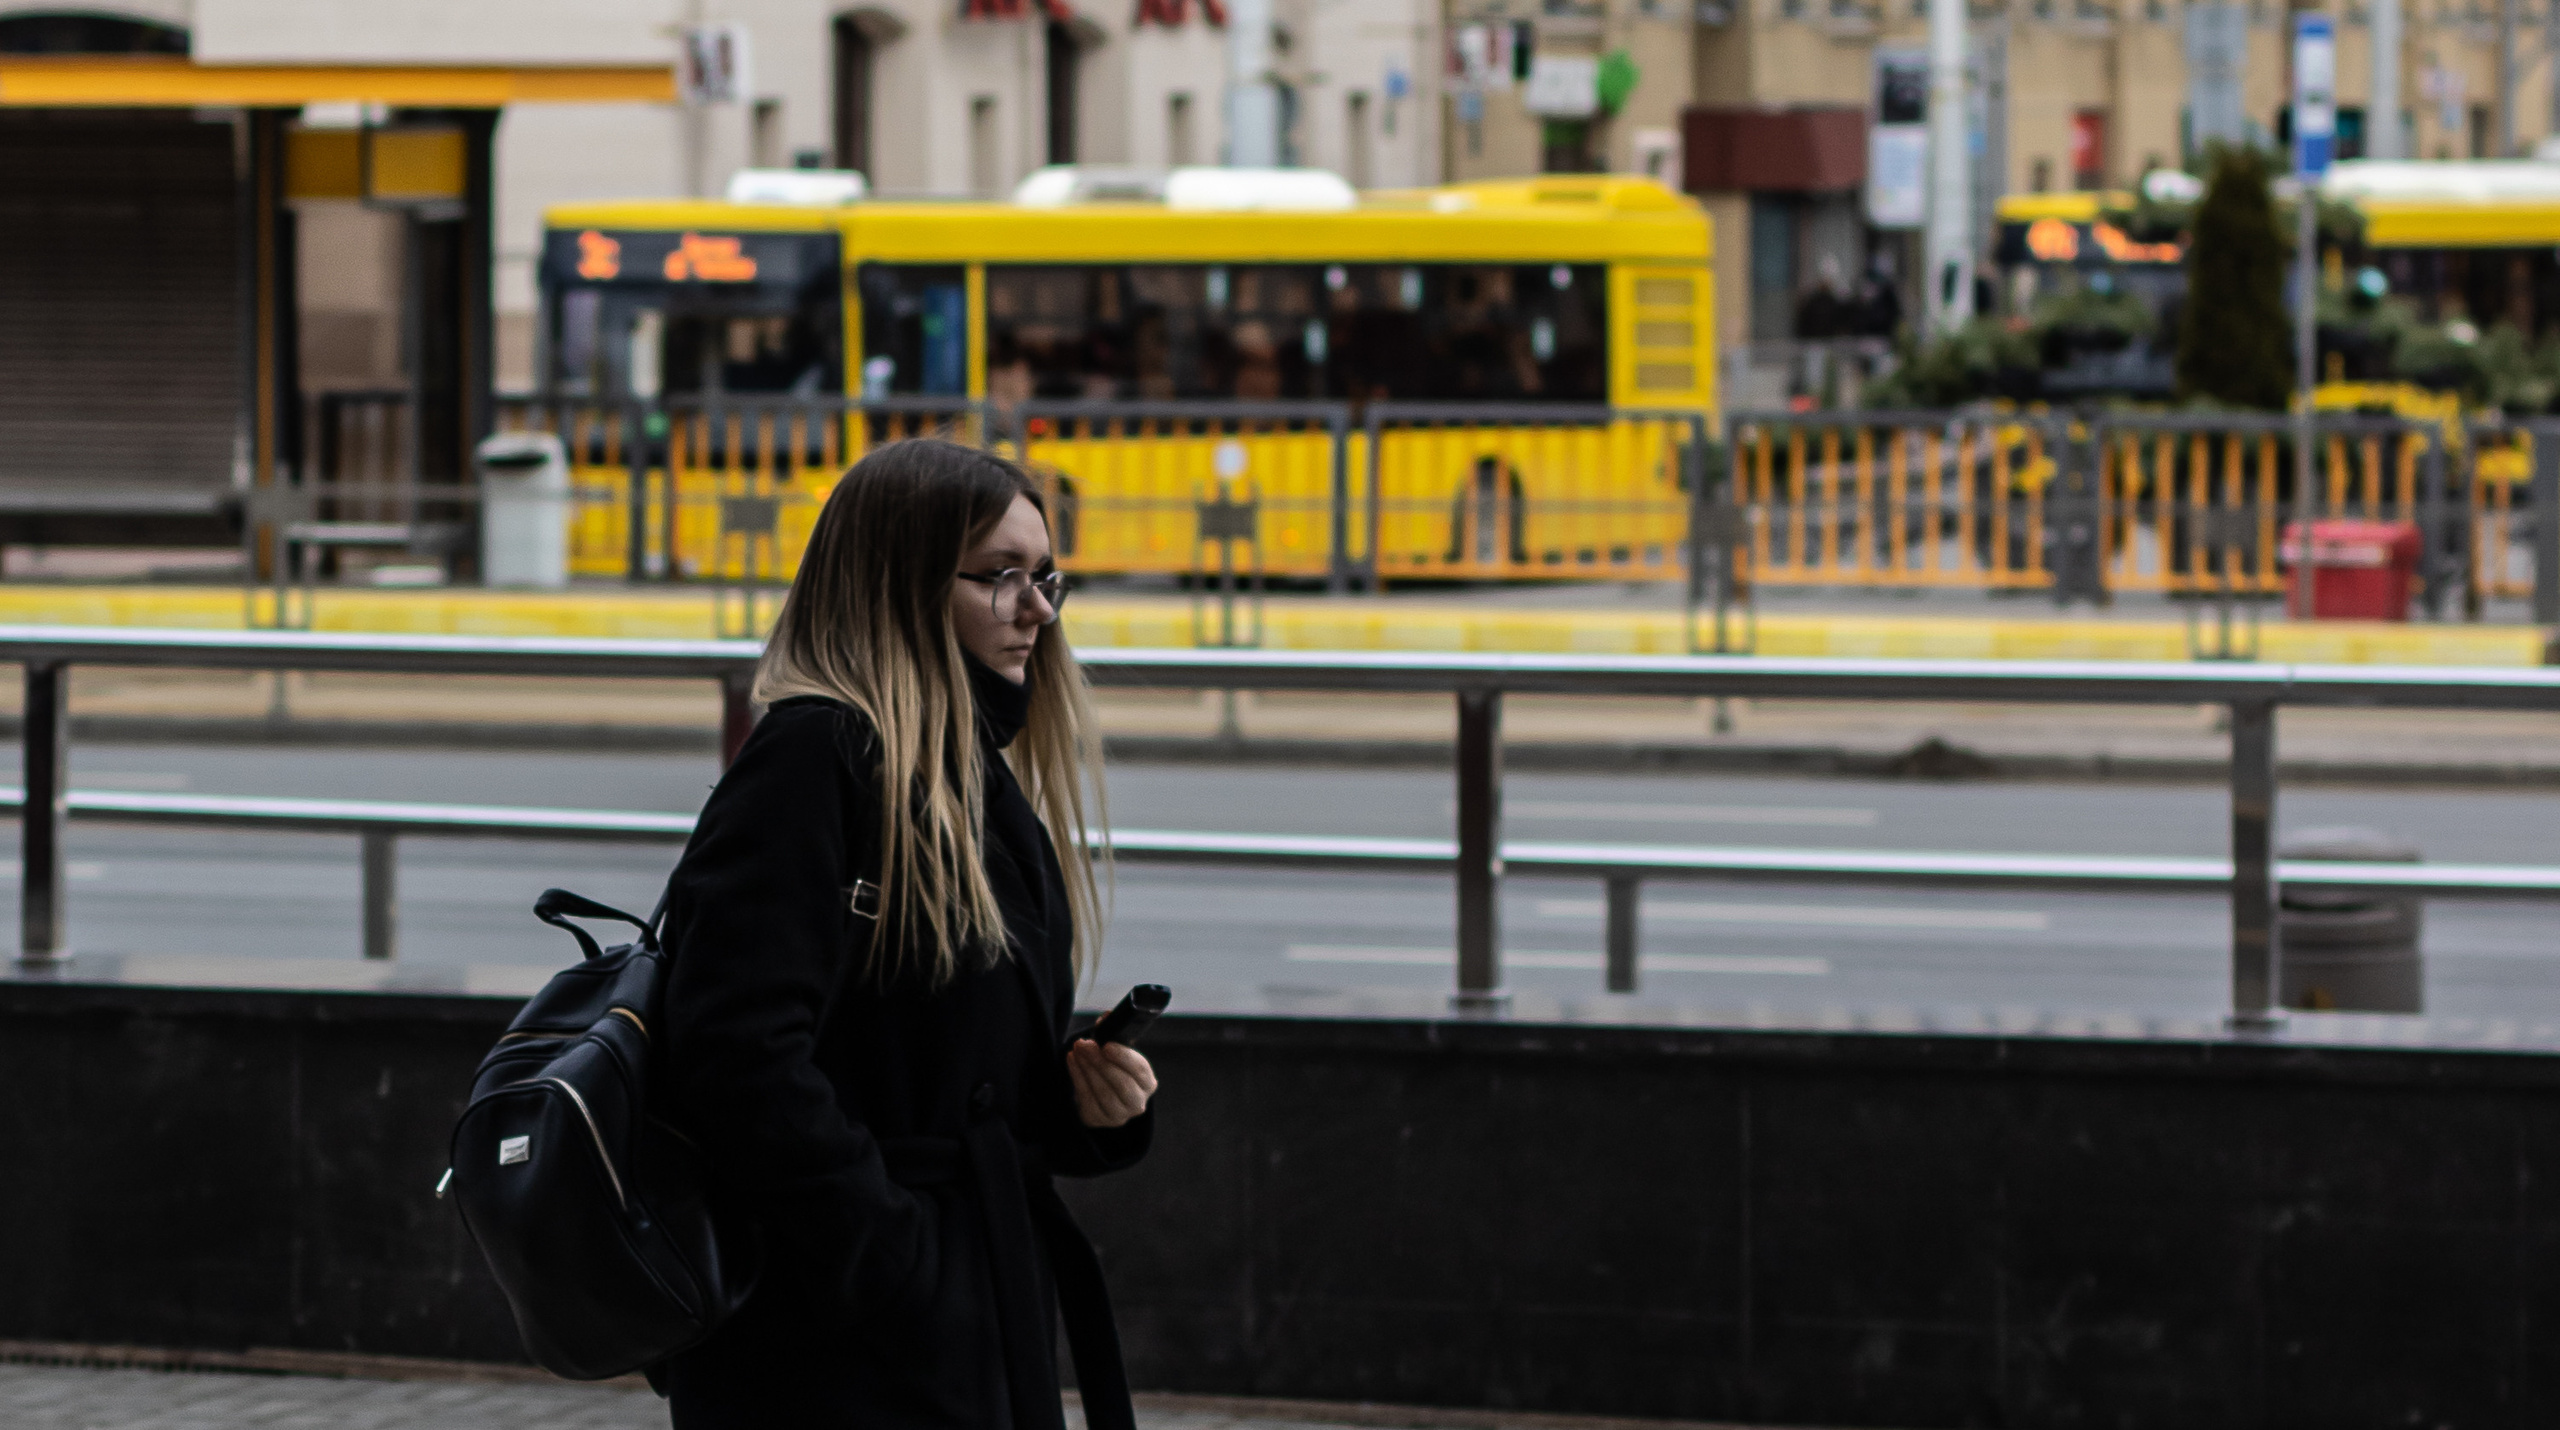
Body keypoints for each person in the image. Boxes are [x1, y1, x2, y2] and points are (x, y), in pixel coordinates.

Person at [653, 438, 1159, 1429]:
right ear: (898, 583)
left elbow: (938, 1055)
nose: (1037, 609)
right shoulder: (814, 757)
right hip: (835, 1344)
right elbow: (734, 1049)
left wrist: (1084, 1109)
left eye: (1046, 576)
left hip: (949, 1312)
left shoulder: (968, 768)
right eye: (1000, 575)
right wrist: (892, 1257)